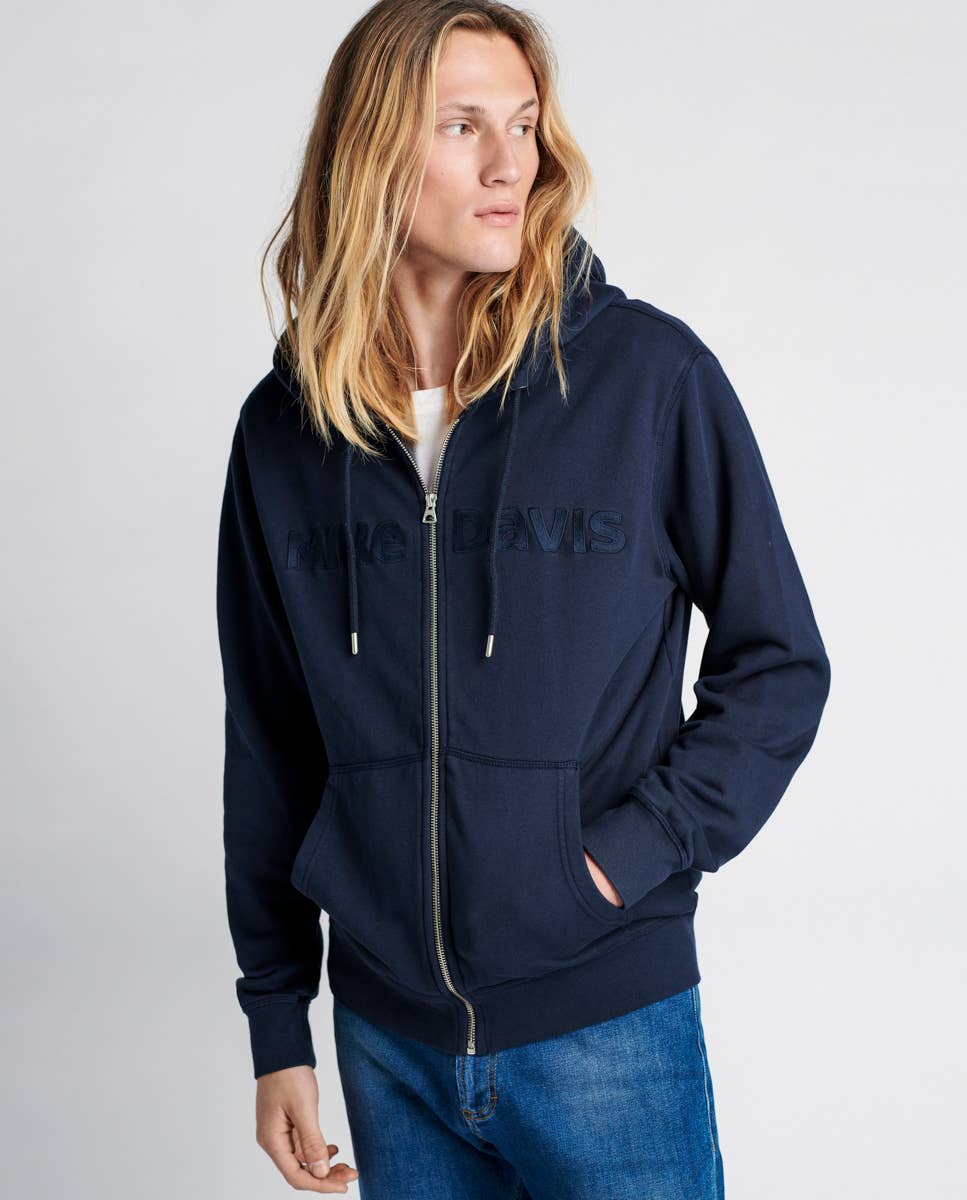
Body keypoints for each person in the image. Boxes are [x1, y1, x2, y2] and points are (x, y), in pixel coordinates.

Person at [215, 2, 832, 1197]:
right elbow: (270, 739)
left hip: (609, 1026)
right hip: (387, 1041)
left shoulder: (644, 379)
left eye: (524, 123)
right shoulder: (284, 433)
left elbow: (779, 665)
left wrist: (617, 861)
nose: (512, 164)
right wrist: (277, 1021)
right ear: (369, 151)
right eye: (461, 127)